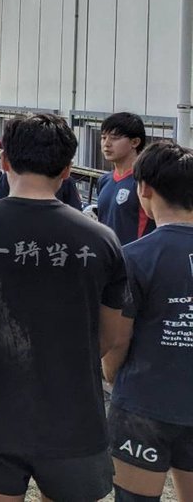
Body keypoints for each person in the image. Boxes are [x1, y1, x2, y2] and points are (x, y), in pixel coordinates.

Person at [0, 113, 130, 502]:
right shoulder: (103, 239)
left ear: (4, 162)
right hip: (76, 417)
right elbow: (110, 334)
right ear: (68, 170)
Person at [102, 140, 193, 502]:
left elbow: (117, 340)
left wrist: (113, 374)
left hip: (145, 402)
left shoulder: (134, 257)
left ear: (144, 188)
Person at [97, 112, 156, 246]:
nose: (106, 144)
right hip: (107, 259)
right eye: (103, 137)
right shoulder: (104, 180)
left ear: (135, 142)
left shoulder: (145, 182)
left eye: (114, 138)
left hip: (136, 261)